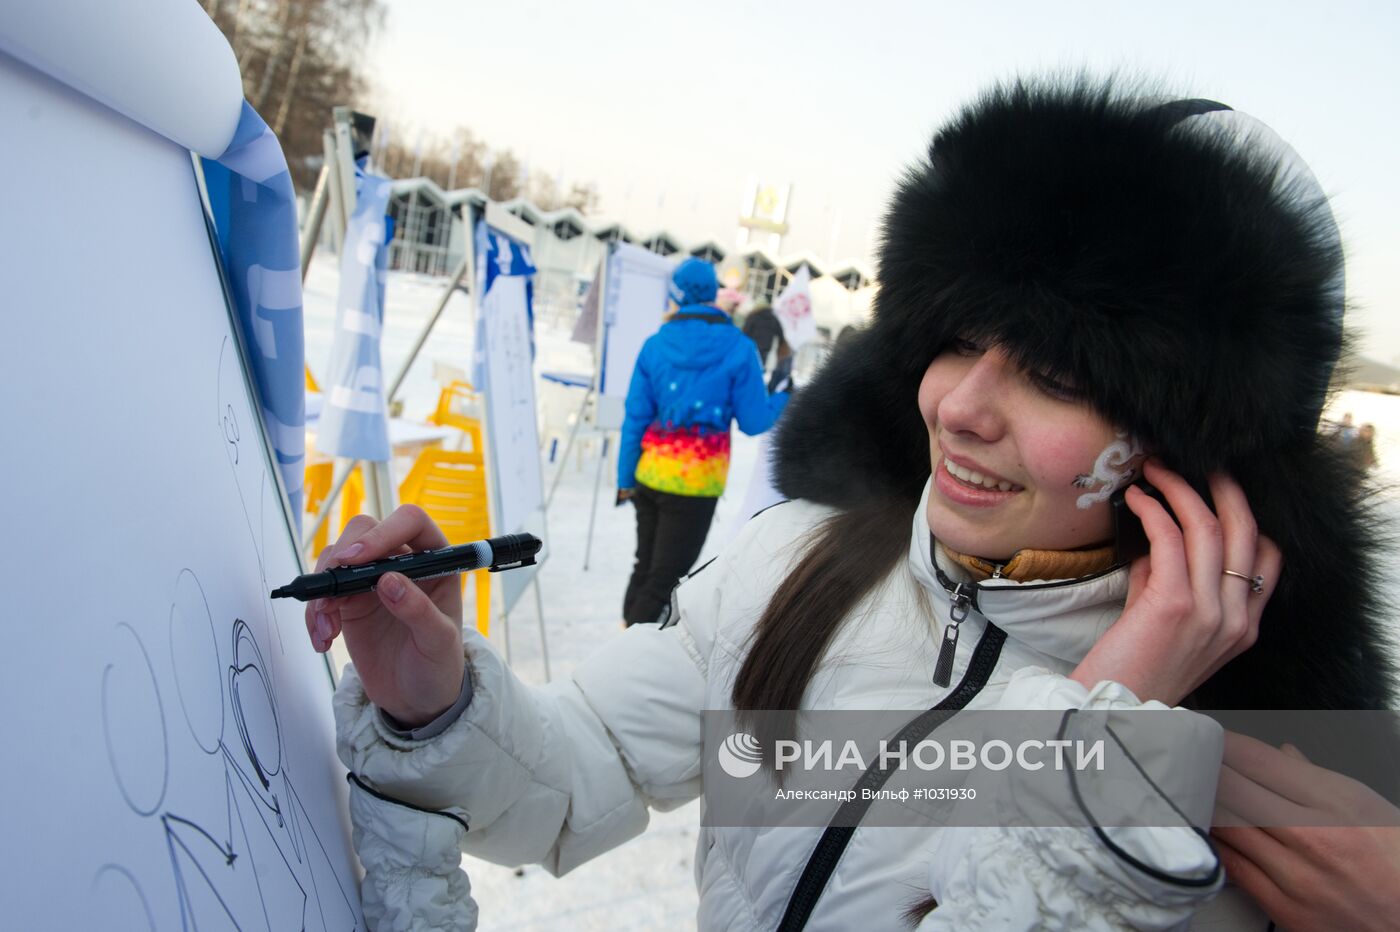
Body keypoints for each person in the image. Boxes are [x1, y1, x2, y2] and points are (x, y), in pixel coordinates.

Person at [307, 79, 1397, 930]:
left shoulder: (1274, 772)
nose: (961, 407)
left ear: (1195, 439)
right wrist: (436, 700)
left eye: (1059, 377)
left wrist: (1112, 713)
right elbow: (583, 768)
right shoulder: (804, 567)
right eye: (957, 340)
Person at [615, 257, 788, 626]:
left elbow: (635, 417)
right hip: (696, 484)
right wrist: (784, 398)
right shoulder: (739, 348)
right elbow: (756, 421)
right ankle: (625, 654)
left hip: (649, 476)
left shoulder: (654, 345)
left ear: (676, 297)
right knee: (664, 578)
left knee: (646, 567)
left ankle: (625, 640)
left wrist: (625, 479)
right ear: (712, 295)